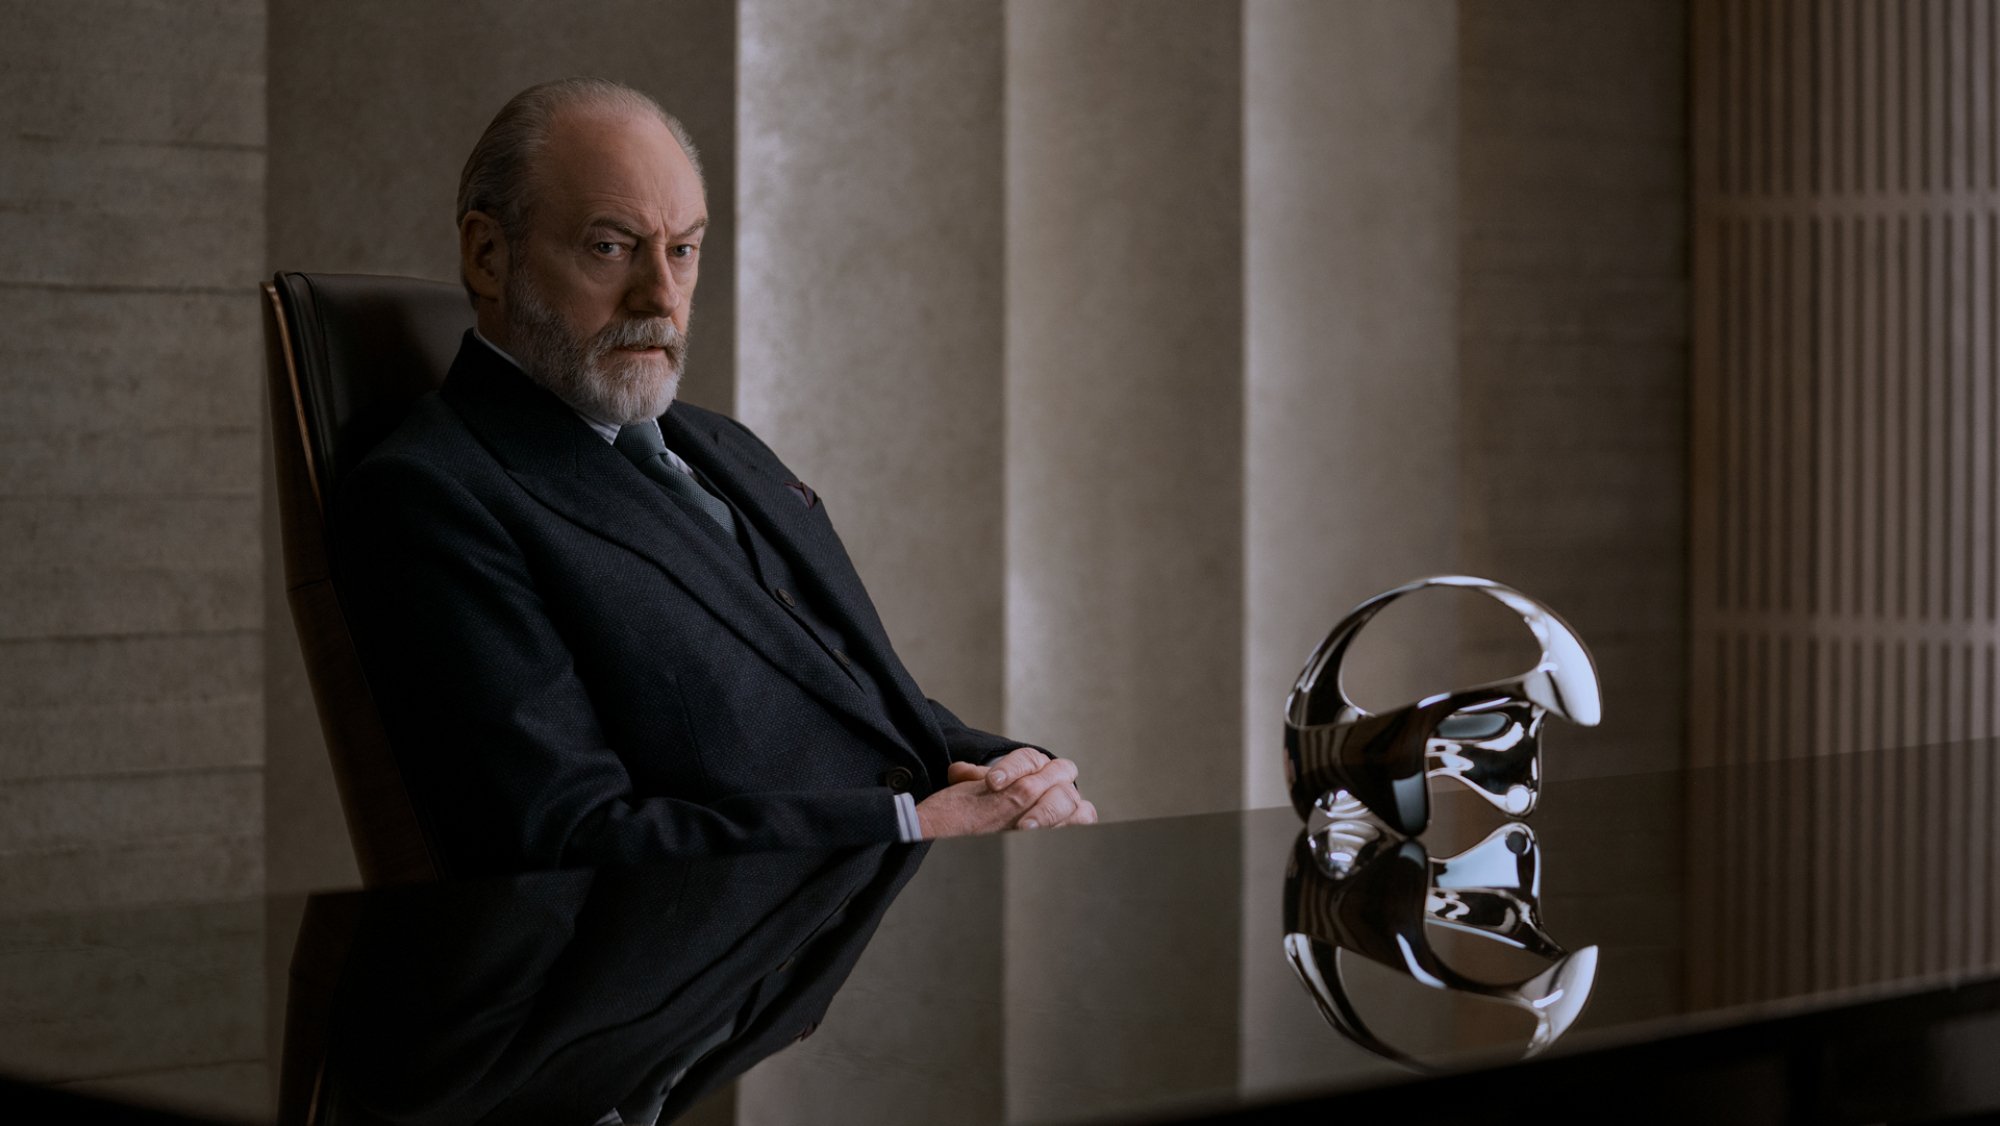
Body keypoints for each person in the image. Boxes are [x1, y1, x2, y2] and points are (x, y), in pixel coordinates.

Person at [335, 77, 1093, 876]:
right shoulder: (431, 498)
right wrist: (907, 825)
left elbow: (862, 709)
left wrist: (1017, 777)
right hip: (704, 979)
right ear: (488, 256)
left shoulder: (724, 448)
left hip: (860, 938)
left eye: (683, 249)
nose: (659, 295)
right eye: (610, 245)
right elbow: (567, 839)